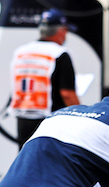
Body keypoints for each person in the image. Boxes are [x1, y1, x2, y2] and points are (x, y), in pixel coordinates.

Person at [10, 9, 80, 146]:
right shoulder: (60, 54)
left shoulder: (21, 52)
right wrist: (81, 117)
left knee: (27, 162)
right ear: (60, 31)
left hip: (23, 119)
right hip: (51, 122)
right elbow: (67, 94)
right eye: (66, 31)